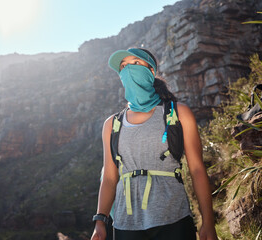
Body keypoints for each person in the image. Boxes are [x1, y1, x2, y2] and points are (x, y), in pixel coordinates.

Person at [90, 48, 218, 240]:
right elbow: (109, 177)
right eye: (123, 66)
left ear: (151, 71)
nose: (128, 69)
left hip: (173, 218)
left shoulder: (178, 113)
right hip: (126, 224)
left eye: (135, 63)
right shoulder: (112, 124)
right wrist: (100, 221)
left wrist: (208, 222)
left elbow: (197, 170)